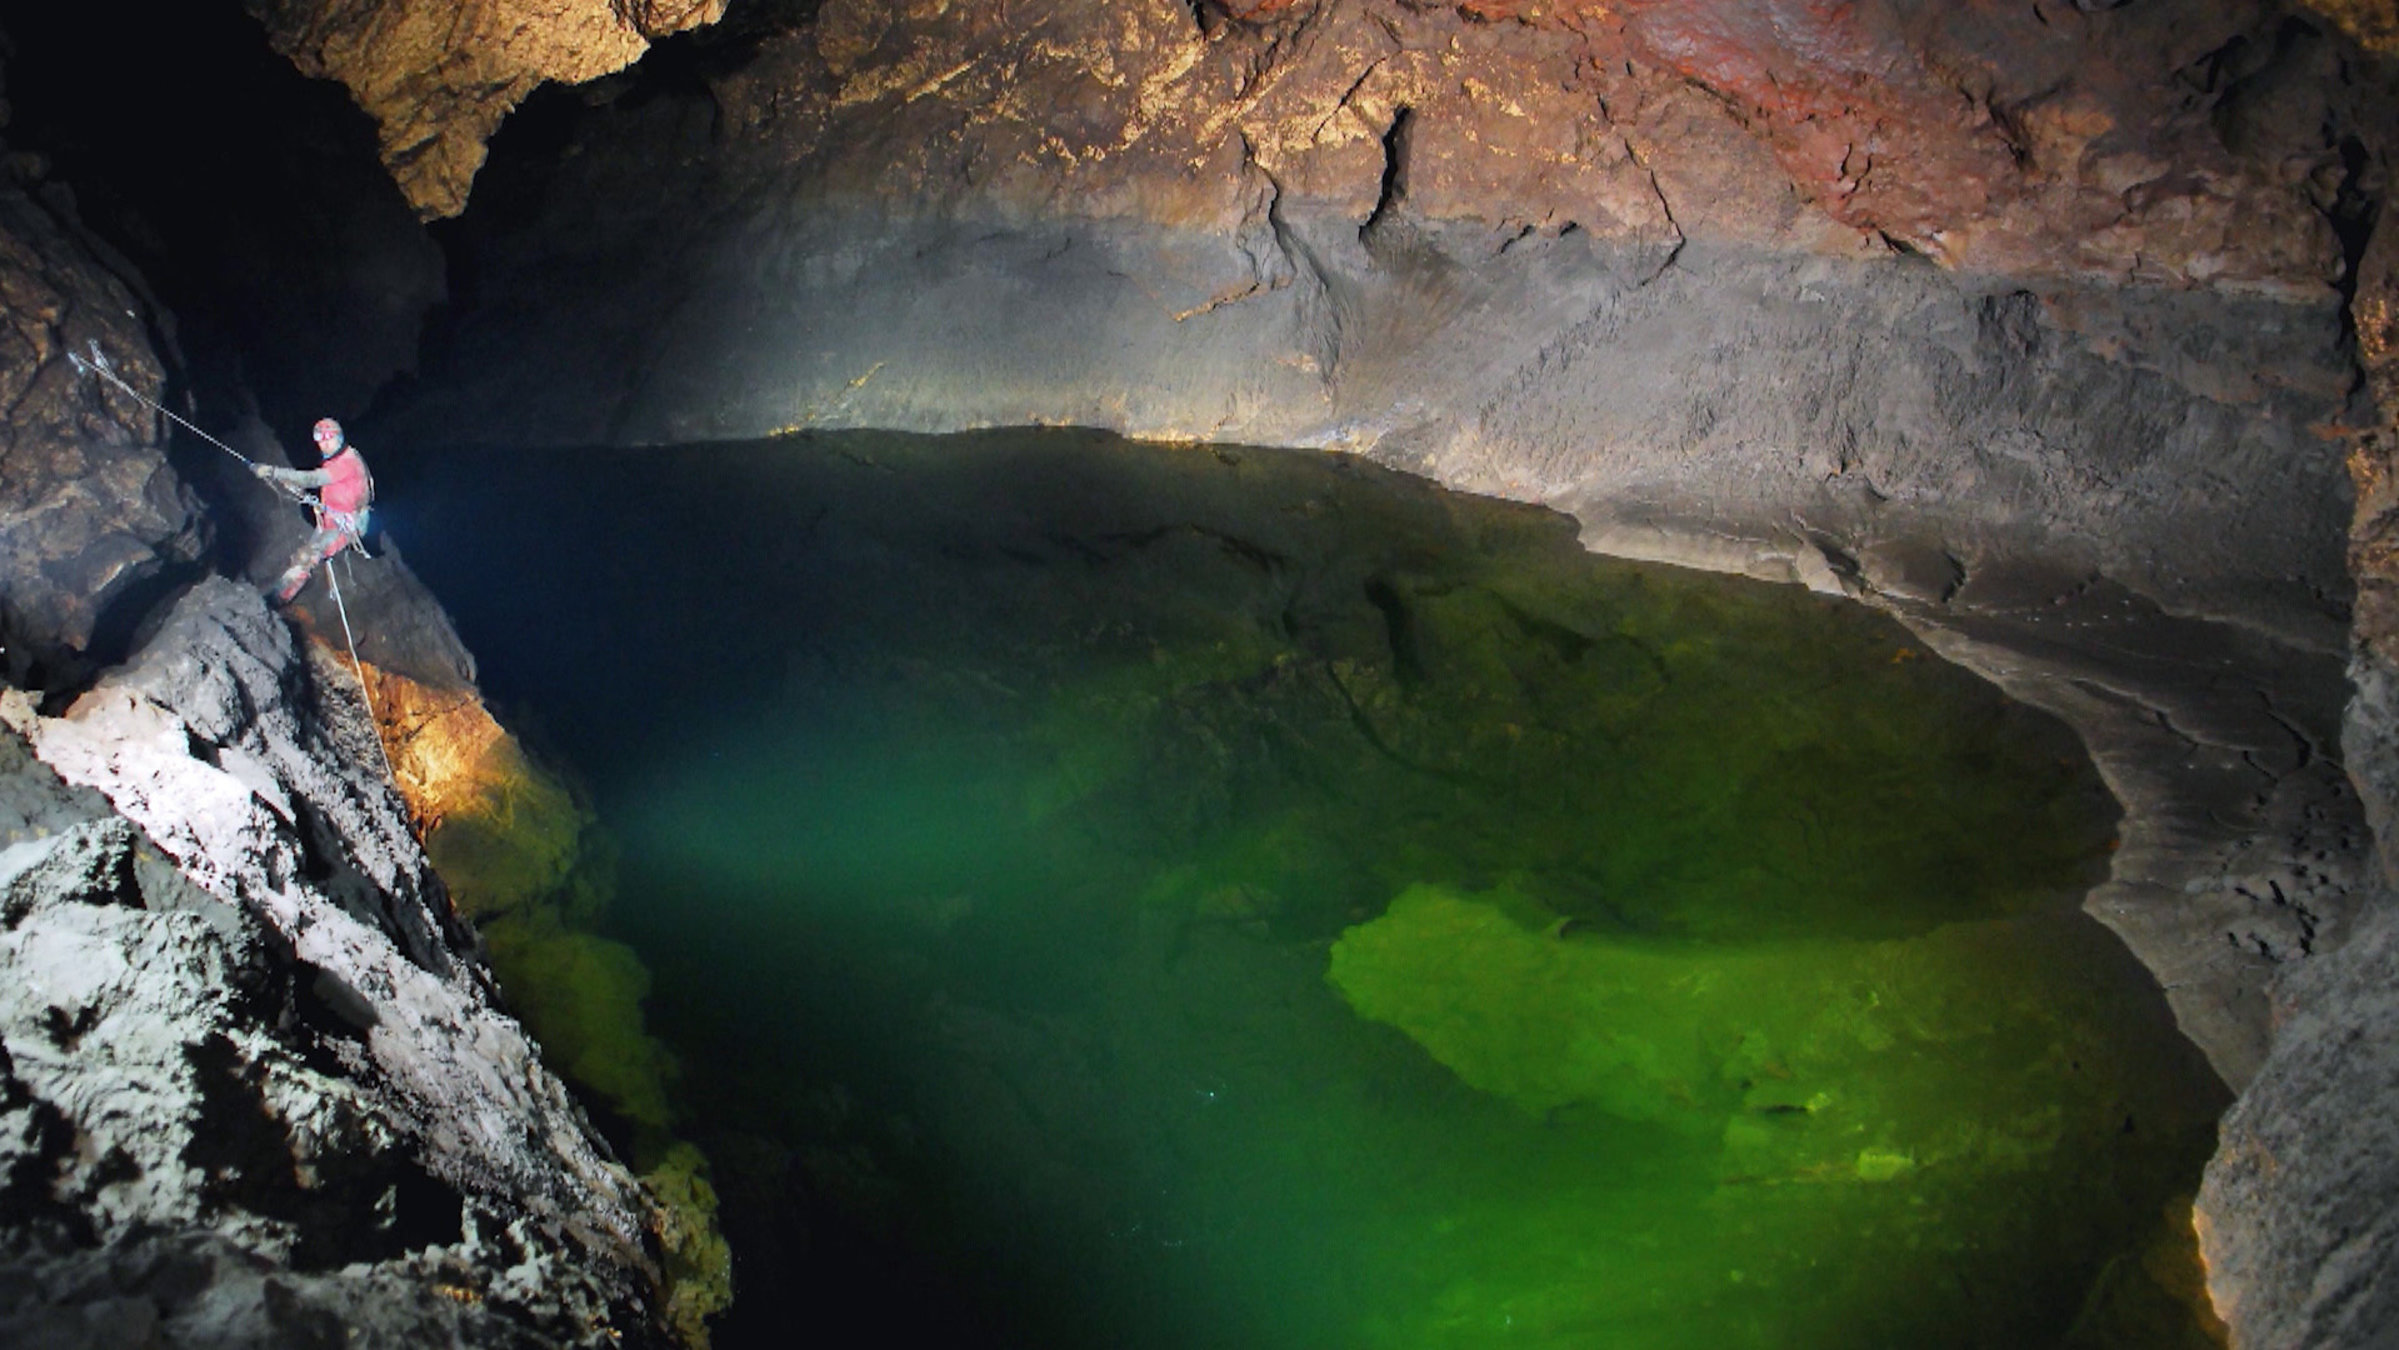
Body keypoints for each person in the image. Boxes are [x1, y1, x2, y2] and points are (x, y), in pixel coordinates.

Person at [255, 417, 374, 603]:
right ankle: (283, 594)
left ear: (339, 438)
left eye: (329, 439)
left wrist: (273, 472)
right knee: (305, 556)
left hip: (344, 525)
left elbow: (312, 479)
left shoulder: (347, 463)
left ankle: (278, 597)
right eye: (321, 440)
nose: (325, 445)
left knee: (308, 555)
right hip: (332, 518)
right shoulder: (340, 457)